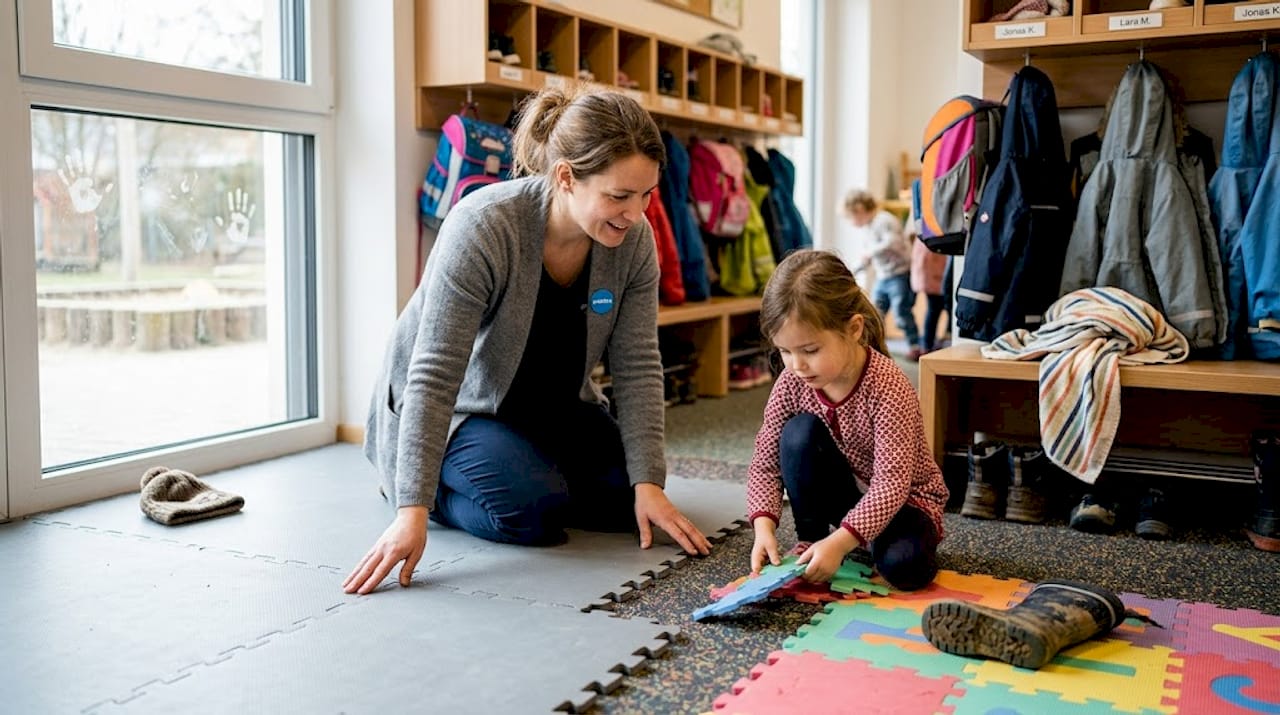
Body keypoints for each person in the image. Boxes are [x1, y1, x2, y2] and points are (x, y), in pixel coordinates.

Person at [344, 85, 712, 596]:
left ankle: (532, 468)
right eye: (619, 196)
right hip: (466, 409)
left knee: (626, 498)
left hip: (552, 407)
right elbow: (434, 373)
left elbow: (639, 365)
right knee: (533, 513)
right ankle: (434, 488)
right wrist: (412, 508)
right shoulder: (485, 225)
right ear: (565, 177)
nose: (636, 212)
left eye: (646, 194)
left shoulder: (634, 240)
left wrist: (649, 482)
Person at [746, 249, 949, 591]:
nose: (797, 365)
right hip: (845, 497)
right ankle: (812, 540)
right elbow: (765, 461)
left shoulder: (888, 385)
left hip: (905, 504)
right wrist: (763, 527)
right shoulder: (792, 381)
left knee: (907, 568)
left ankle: (852, 542)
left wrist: (841, 542)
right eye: (785, 351)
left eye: (810, 350)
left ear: (854, 329)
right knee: (798, 433)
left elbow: (891, 484)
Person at [844, 190, 921, 361]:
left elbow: (892, 242)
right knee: (875, 312)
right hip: (883, 276)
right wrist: (854, 271)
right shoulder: (868, 227)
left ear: (859, 209)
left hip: (899, 274)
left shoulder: (885, 220)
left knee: (901, 312)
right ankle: (875, 347)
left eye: (851, 217)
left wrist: (871, 252)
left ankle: (915, 345)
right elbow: (869, 256)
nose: (852, 222)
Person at [908, 217, 950, 355]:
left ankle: (928, 344)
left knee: (935, 309)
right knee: (935, 309)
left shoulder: (923, 224)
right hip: (934, 273)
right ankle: (927, 345)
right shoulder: (931, 223)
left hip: (932, 273)